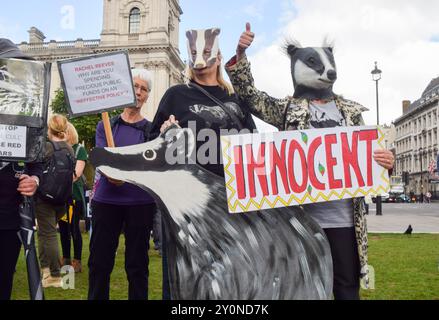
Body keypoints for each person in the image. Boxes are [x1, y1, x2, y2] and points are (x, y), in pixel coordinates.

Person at [225, 23, 395, 300]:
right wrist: (241, 55)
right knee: (303, 288)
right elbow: (249, 96)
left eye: (330, 64)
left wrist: (387, 162)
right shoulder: (287, 108)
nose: (328, 71)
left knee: (346, 286)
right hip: (302, 219)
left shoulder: (351, 113)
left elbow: (372, 160)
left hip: (344, 220)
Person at [149, 27, 257, 300]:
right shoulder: (176, 95)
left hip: (231, 207)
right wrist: (164, 132)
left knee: (228, 278)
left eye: (206, 53)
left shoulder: (235, 99)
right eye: (194, 53)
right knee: (183, 280)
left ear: (218, 56)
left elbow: (254, 146)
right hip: (188, 207)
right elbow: (153, 144)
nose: (199, 59)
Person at [88, 69, 157, 300]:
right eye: (134, 86)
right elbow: (104, 162)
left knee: (137, 266)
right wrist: (113, 171)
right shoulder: (106, 126)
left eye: (143, 89)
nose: (138, 92)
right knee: (99, 263)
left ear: (147, 96)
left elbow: (148, 166)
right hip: (106, 202)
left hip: (140, 204)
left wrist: (121, 168)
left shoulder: (151, 131)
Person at [0, 38, 43, 300]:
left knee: (4, 280)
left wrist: (35, 180)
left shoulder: (26, 114)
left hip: (9, 216)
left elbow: (37, 162)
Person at [35, 114, 74, 288]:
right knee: (45, 234)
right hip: (62, 199)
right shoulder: (70, 148)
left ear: (49, 129)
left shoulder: (47, 147)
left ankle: (55, 276)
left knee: (48, 235)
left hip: (45, 197)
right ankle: (45, 271)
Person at [58, 122, 88, 273]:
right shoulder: (59, 149)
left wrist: (56, 179)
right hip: (61, 197)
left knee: (74, 229)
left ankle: (77, 261)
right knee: (63, 230)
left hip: (74, 197)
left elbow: (76, 175)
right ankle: (65, 258)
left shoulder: (79, 150)